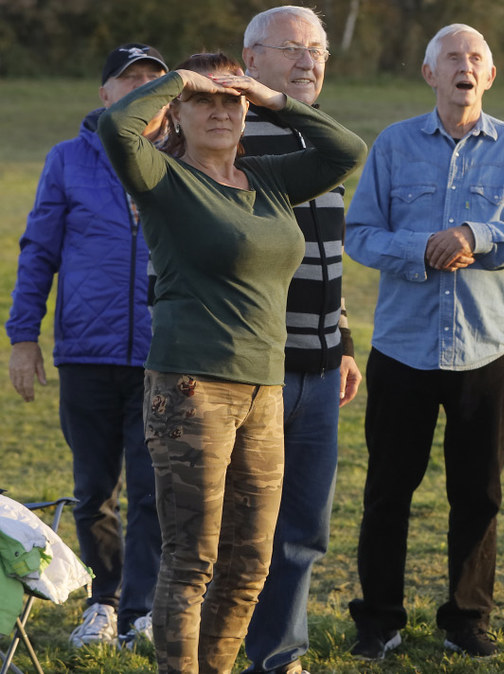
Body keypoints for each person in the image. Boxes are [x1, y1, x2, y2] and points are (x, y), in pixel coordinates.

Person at [97, 52, 366, 674]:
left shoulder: (268, 178)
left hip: (265, 391)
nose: (220, 112)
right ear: (179, 115)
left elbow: (347, 152)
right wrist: (176, 82)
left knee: (250, 562)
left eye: (232, 102)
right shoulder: (162, 178)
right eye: (205, 102)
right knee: (192, 559)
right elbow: (117, 127)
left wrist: (274, 98)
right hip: (192, 388)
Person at [344, 23, 504, 661]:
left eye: (476, 59)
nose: (464, 66)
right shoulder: (394, 145)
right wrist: (422, 249)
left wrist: (477, 236)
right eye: (451, 58)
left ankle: (466, 618)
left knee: (478, 492)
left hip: (486, 352)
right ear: (429, 74)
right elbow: (359, 234)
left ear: (490, 77)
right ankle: (379, 618)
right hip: (402, 348)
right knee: (387, 489)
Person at [6, 42, 167, 650]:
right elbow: (38, 251)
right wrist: (24, 339)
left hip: (165, 355)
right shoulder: (68, 160)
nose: (141, 87)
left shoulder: (182, 160)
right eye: (129, 79)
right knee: (96, 489)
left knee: (154, 488)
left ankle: (144, 611)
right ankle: (104, 603)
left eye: (155, 79)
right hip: (86, 353)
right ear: (105, 94)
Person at [237, 8, 363, 674]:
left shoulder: (325, 142)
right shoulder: (230, 137)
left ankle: (280, 656)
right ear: (251, 61)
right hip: (253, 371)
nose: (310, 59)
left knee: (302, 532)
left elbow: (325, 260)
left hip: (318, 371)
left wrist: (342, 340)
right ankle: (222, 650)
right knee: (242, 529)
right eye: (293, 48)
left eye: (318, 49)